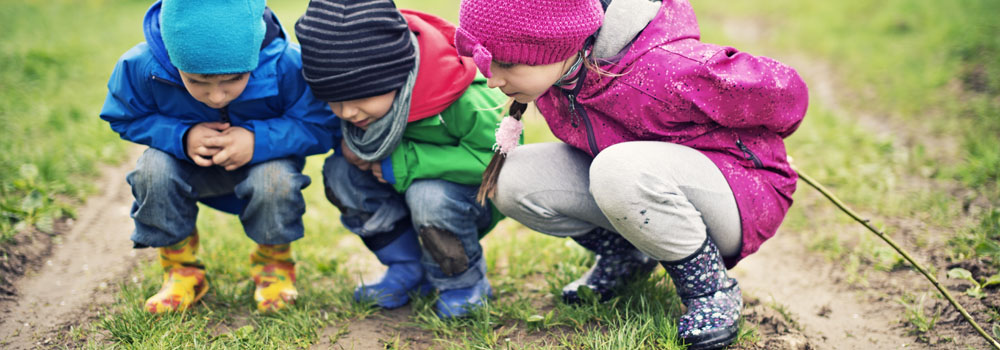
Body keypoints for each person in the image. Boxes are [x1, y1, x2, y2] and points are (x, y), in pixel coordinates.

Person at [455, 0, 808, 348]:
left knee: (616, 168)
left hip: (739, 193)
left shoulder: (666, 69)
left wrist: (760, 149)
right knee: (512, 179)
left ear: (555, 42)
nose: (493, 79)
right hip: (640, 183)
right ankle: (627, 257)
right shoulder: (560, 74)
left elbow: (788, 94)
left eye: (507, 63)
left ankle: (711, 290)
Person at [99, 0, 339, 313]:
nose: (216, 96)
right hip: (188, 167)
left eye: (234, 80)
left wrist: (258, 140)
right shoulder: (143, 66)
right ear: (173, 57)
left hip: (263, 164)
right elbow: (124, 115)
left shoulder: (286, 64)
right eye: (196, 82)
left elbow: (321, 123)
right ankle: (181, 271)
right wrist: (181, 137)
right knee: (151, 169)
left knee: (275, 179)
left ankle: (273, 266)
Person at [294, 0, 507, 318]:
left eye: (359, 99)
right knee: (340, 174)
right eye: (333, 101)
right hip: (400, 189)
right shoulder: (357, 105)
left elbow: (498, 163)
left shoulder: (462, 96)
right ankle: (407, 268)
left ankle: (462, 281)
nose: (347, 113)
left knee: (428, 195)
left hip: (465, 198)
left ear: (396, 76)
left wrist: (405, 163)